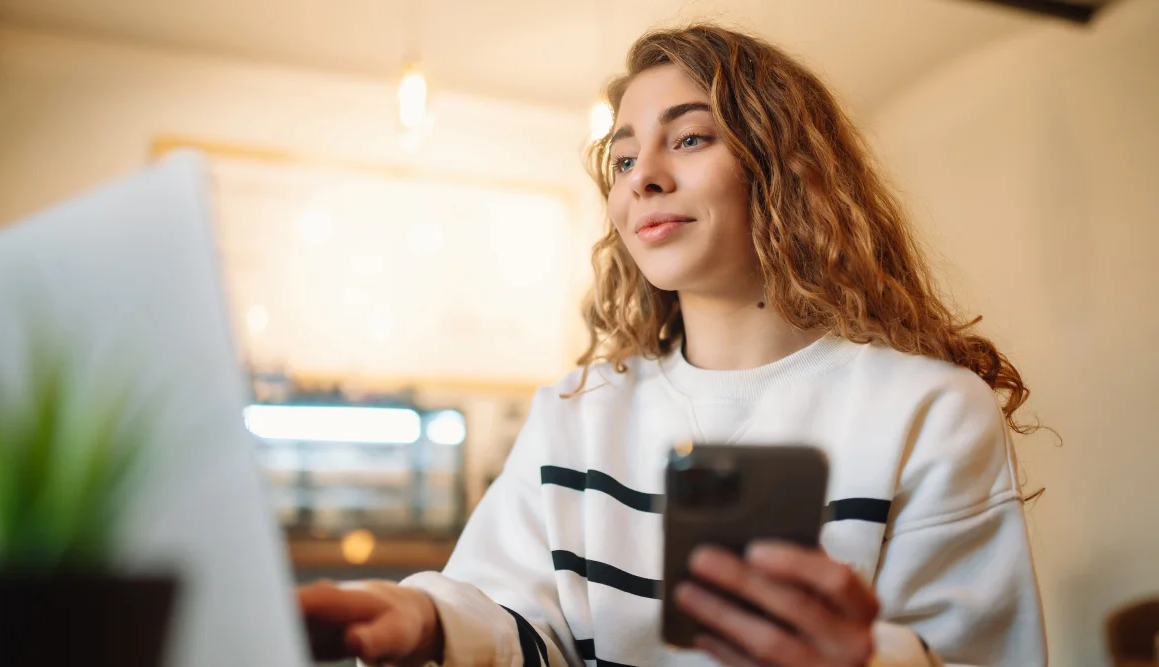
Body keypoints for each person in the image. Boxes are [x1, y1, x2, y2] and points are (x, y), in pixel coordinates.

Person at [299, 23, 1046, 667]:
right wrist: (430, 622)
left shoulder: (930, 412)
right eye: (623, 159)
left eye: (689, 138)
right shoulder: (576, 413)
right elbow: (518, 626)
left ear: (785, 169)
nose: (644, 178)